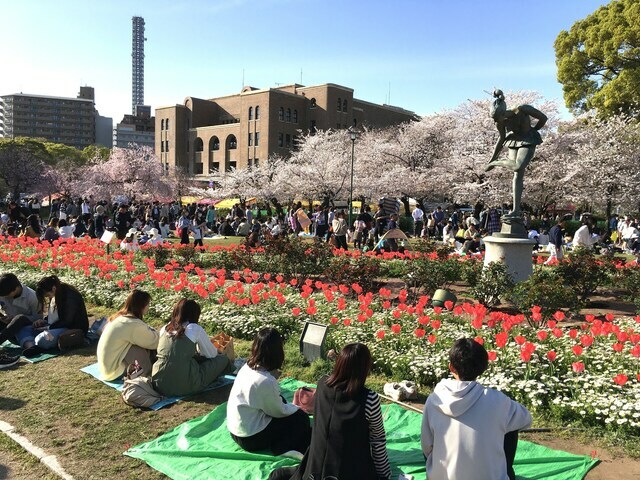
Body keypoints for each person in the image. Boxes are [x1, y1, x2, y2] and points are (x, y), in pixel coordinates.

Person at [270, 343, 392, 480]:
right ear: (364, 369)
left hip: (314, 468)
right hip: (348, 471)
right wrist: (384, 474)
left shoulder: (322, 384)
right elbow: (377, 440)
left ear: (339, 363)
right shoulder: (369, 399)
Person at [421, 338, 531, 480]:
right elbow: (526, 419)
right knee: (510, 422)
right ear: (483, 367)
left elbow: (426, 446)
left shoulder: (434, 399)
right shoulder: (498, 401)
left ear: (451, 367)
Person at [227, 327, 311, 456]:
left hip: (235, 430)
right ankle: (283, 448)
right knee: (300, 419)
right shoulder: (264, 381)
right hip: (250, 438)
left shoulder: (247, 367)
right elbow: (278, 411)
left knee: (282, 401)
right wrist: (296, 408)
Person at [486, 89, 548, 224]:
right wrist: (491, 157)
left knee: (518, 166)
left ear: (504, 112)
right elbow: (501, 139)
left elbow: (543, 118)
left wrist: (534, 130)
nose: (498, 121)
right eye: (496, 119)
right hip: (513, 141)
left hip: (528, 139)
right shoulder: (499, 122)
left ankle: (497, 163)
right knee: (517, 173)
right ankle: (515, 210)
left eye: (499, 118)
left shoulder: (522, 109)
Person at [152, 299, 233, 397]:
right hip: (186, 384)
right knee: (222, 359)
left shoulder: (164, 328)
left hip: (159, 383)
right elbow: (211, 354)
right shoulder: (194, 328)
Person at [15, 276, 89, 357]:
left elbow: (67, 321)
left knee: (42, 339)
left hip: (71, 328)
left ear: (53, 288)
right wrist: (44, 321)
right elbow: (54, 315)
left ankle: (36, 344)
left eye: (47, 295)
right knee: (22, 329)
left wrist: (48, 328)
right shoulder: (56, 293)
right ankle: (31, 347)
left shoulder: (70, 297)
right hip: (56, 325)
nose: (48, 297)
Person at [97, 290, 159, 381]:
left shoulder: (120, 318)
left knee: (136, 344)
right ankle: (146, 374)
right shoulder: (132, 324)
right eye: (148, 304)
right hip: (114, 372)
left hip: (106, 368)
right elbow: (155, 342)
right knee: (137, 348)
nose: (148, 307)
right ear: (142, 306)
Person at [0, 273, 41, 362]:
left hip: (27, 329)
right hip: (8, 329)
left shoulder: (32, 296)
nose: (4, 297)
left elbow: (38, 319)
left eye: (7, 294)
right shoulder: (3, 293)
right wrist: (3, 318)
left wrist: (14, 318)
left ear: (16, 288)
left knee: (19, 318)